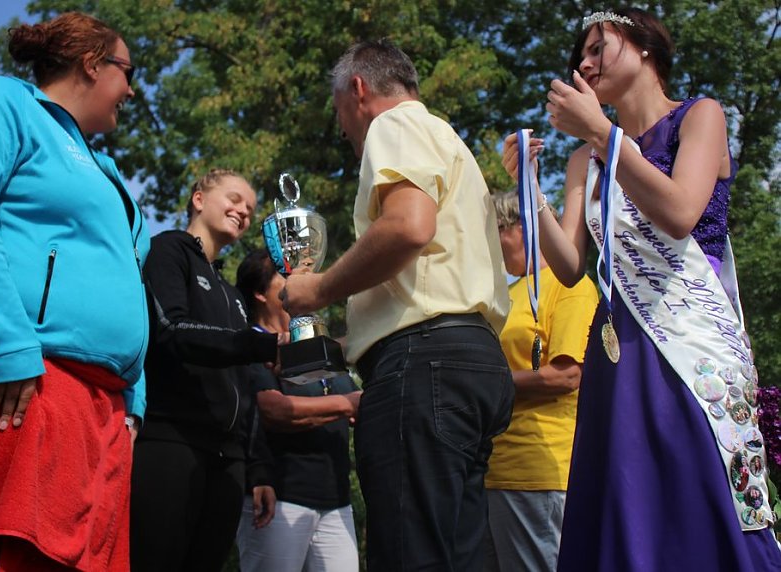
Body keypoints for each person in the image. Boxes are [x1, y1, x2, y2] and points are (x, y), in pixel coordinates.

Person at [500, 8, 781, 571]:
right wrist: (531, 191)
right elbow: (572, 263)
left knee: (699, 485)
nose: (584, 62)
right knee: (626, 497)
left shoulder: (699, 117)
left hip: (693, 345)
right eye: (580, 56)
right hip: (620, 348)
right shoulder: (586, 158)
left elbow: (680, 211)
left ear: (645, 46)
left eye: (598, 47)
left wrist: (603, 133)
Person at [0, 12, 147, 571]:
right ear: (92, 64)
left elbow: (130, 284)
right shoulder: (4, 103)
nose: (133, 88)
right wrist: (8, 340)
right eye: (127, 70)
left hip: (102, 409)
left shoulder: (109, 172)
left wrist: (134, 400)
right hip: (8, 378)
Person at [282, 39, 515, 571]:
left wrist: (316, 290)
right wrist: (342, 345)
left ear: (358, 89)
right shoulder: (448, 142)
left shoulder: (394, 125)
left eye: (338, 109)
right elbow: (429, 275)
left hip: (425, 365)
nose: (342, 130)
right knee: (460, 554)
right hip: (470, 358)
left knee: (412, 554)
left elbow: (408, 226)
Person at [130, 170, 280, 572]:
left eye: (249, 209)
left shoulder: (232, 295)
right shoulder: (168, 251)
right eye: (234, 199)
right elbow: (172, 330)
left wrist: (257, 467)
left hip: (227, 461)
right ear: (199, 199)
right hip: (171, 443)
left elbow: (245, 388)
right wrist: (256, 343)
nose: (243, 212)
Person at [483, 190, 598, 572]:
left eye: (494, 231)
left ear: (520, 227)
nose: (492, 244)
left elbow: (567, 374)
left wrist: (482, 382)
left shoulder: (569, 284)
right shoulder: (507, 294)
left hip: (540, 469)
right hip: (494, 469)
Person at [234, 249, 361, 572]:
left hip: (337, 501)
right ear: (260, 293)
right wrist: (347, 404)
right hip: (278, 501)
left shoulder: (319, 344)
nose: (298, 281)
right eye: (285, 274)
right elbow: (271, 409)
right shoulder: (251, 345)